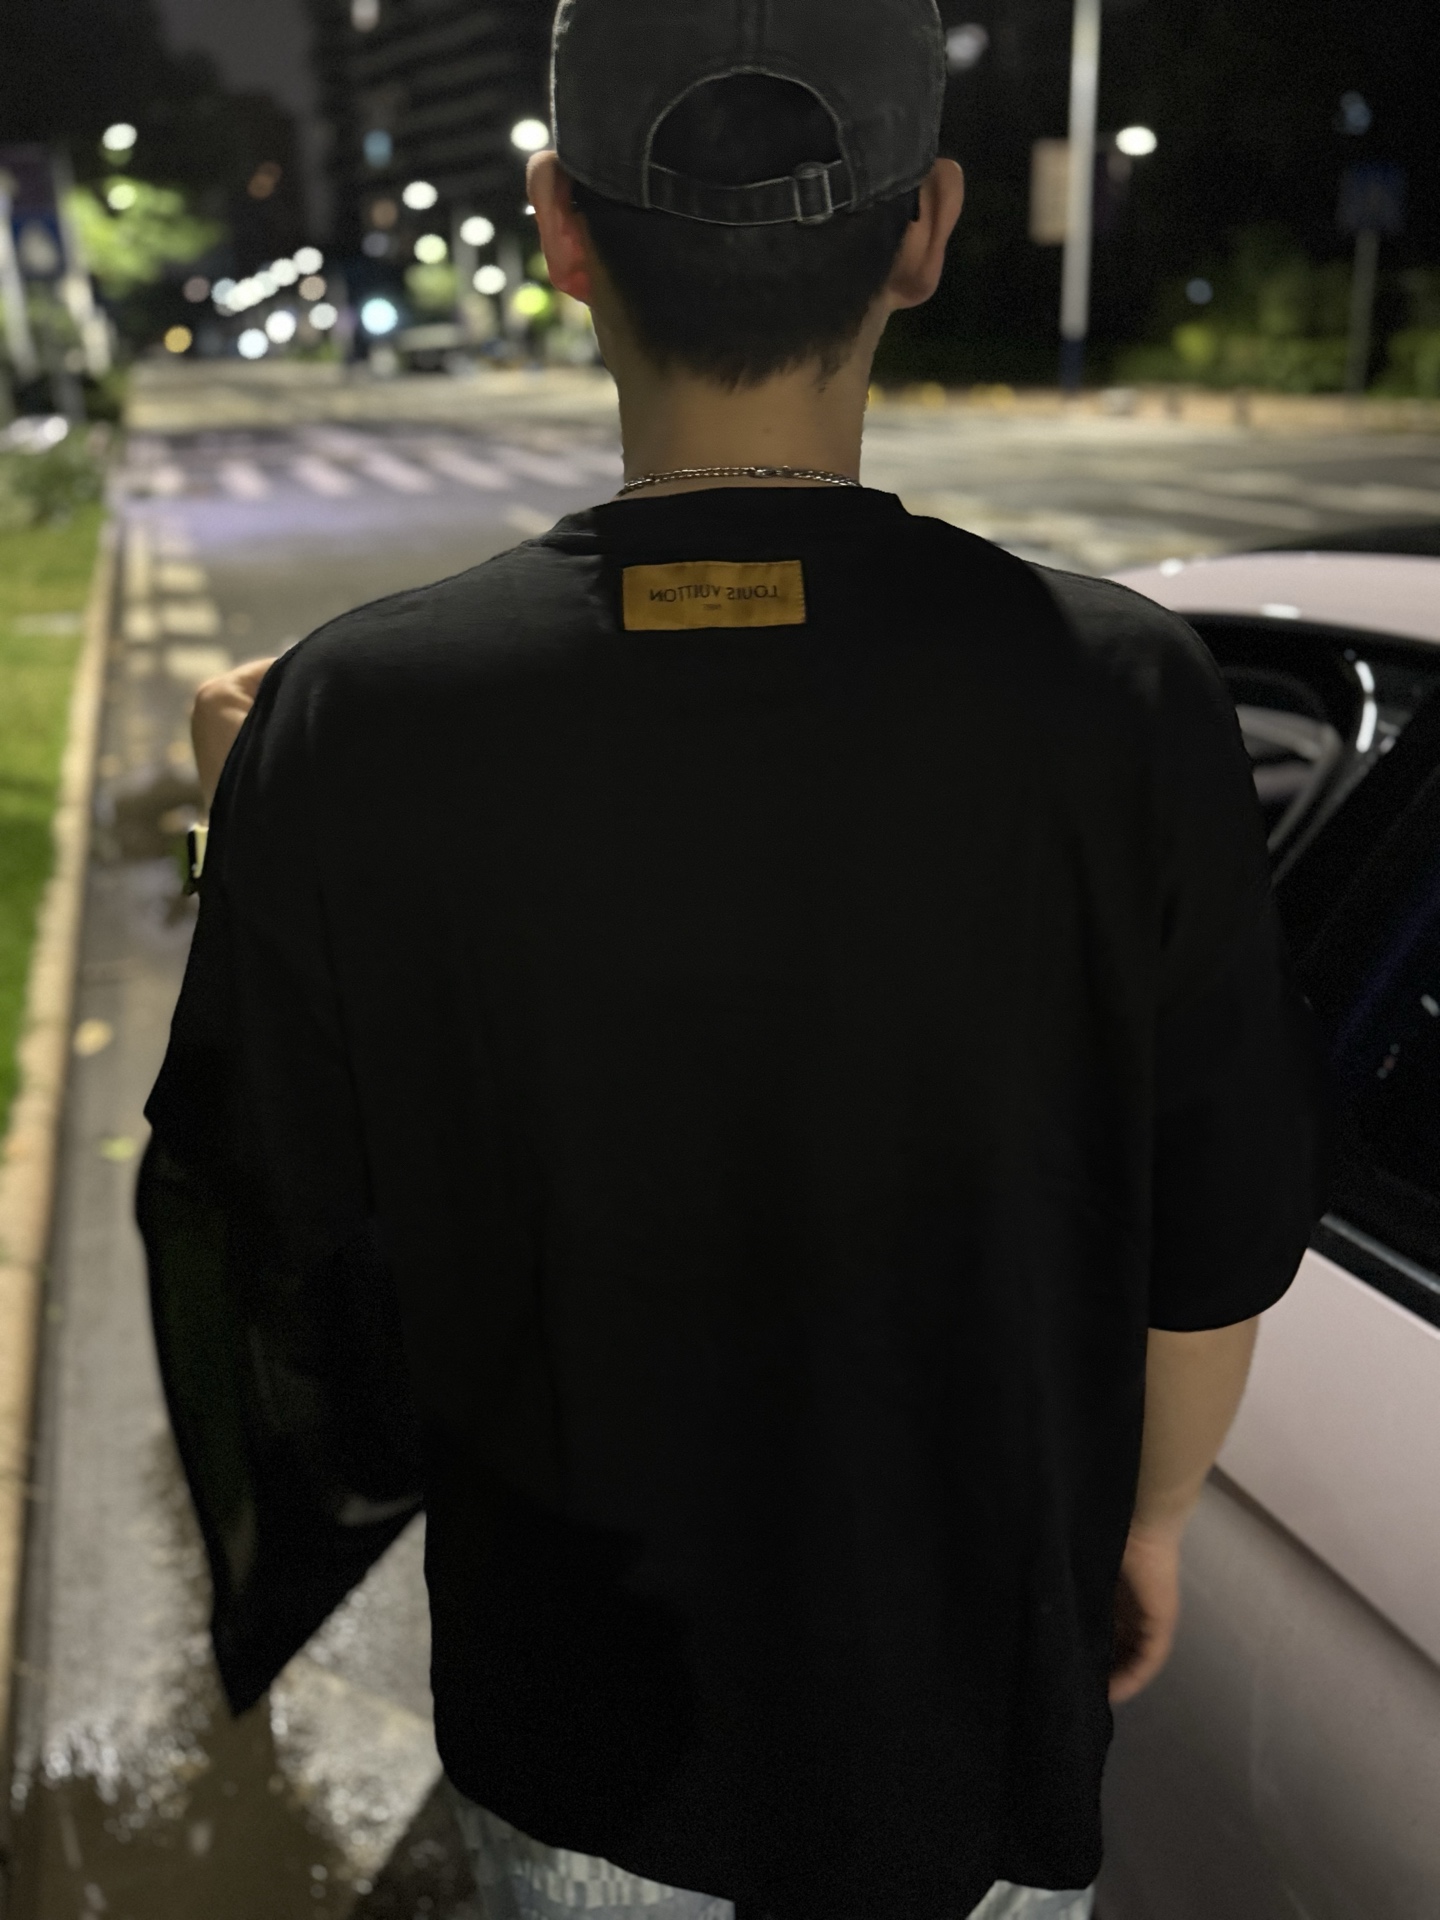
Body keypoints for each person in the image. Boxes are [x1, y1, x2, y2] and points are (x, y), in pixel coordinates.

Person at [146, 1, 1328, 1916]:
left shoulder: (357, 718)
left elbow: (290, 1257)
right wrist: (1155, 1522)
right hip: (972, 1704)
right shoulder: (1122, 692)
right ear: (926, 232)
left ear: (561, 228)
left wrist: (253, 825)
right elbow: (1212, 1238)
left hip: (582, 1714)